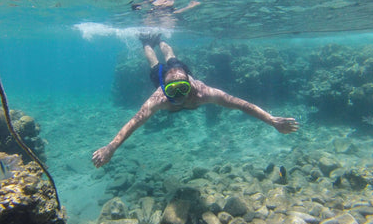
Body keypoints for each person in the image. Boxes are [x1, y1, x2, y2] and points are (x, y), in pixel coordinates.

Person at [92, 34, 299, 168]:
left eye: (184, 88)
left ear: (190, 82)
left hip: (178, 70)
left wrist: (272, 120)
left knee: (169, 53)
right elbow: (134, 122)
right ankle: (146, 41)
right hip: (163, 77)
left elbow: (241, 104)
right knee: (154, 61)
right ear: (164, 89)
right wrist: (111, 147)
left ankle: (160, 37)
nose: (181, 95)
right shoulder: (158, 98)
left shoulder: (203, 92)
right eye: (174, 90)